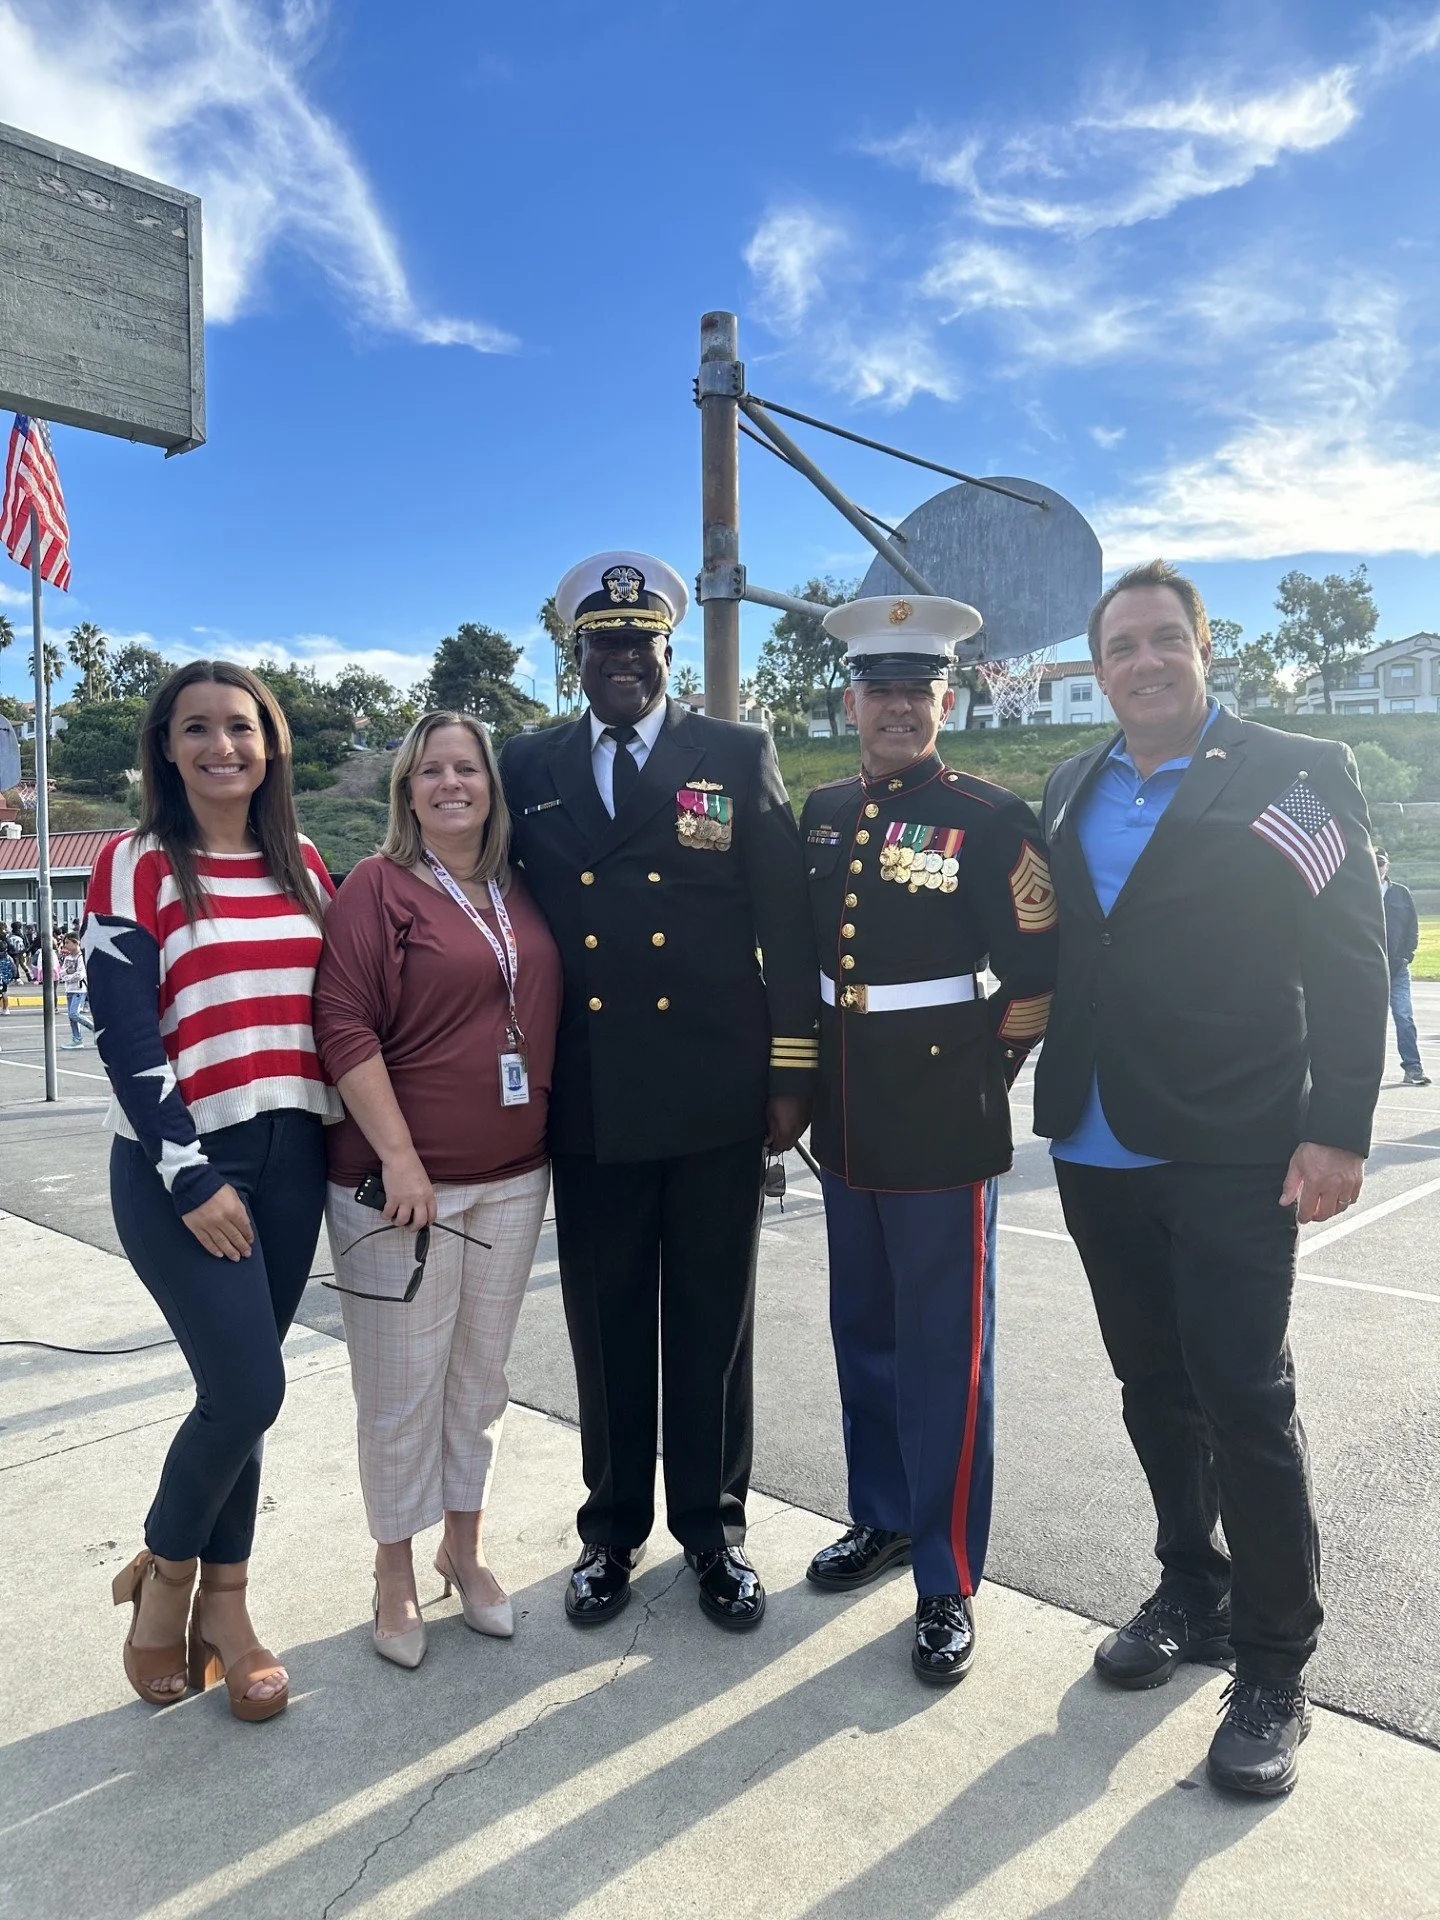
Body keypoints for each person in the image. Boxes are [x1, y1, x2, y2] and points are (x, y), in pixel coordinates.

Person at [1034, 559, 1388, 1796]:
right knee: (1151, 1388)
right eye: (1118, 647)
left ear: (1202, 646)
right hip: (1093, 1141)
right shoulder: (1070, 780)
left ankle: (1277, 1667)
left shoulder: (1293, 772)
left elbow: (1347, 956)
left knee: (1243, 1396)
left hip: (1237, 1142)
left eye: (1160, 640)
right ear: (1097, 668)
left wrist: (1338, 1126)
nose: (1141, 662)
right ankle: (1194, 1588)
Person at [500, 550, 817, 1631]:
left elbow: (786, 923)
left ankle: (714, 1532)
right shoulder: (526, 763)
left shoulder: (731, 751)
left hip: (716, 1093)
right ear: (575, 655)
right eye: (602, 644)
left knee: (712, 1324)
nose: (621, 660)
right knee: (606, 1323)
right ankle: (611, 1530)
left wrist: (791, 1071)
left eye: (640, 642)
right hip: (589, 1098)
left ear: (667, 649)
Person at [798, 596, 1058, 1684]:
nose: (897, 707)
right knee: (863, 1330)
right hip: (845, 1112)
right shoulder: (816, 809)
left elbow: (1039, 975)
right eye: (879, 689)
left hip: (943, 1119)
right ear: (851, 699)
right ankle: (884, 1516)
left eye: (917, 690)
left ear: (945, 699)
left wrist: (978, 1080)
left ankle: (947, 1575)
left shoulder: (991, 818)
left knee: (946, 1355)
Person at [84, 661, 341, 1722]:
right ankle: (168, 1579)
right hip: (181, 1167)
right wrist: (188, 1173)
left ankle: (227, 1613)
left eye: (240, 726)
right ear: (167, 747)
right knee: (248, 1390)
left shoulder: (309, 864)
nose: (221, 745)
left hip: (295, 1160)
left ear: (271, 744)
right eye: (197, 728)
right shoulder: (134, 862)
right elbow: (124, 1030)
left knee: (244, 1391)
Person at [314, 711, 561, 1669]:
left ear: (491, 786)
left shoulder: (518, 889)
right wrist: (402, 1157)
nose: (450, 784)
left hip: (512, 1179)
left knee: (478, 1383)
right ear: (406, 791)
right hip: (398, 1189)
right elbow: (342, 1025)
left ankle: (465, 1547)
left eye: (467, 768)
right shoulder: (378, 888)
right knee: (399, 1392)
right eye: (430, 772)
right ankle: (393, 1568)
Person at [1376, 850, 1429, 1086]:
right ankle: (1362, 1072)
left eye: (1380, 863)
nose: (1376, 867)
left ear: (1388, 866)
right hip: (1368, 969)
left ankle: (1413, 1068)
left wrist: (1407, 956)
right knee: (1366, 1021)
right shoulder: (1359, 892)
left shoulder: (1401, 893)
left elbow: (1412, 927)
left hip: (1398, 969)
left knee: (1404, 1017)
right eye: (1372, 862)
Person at [58, 930, 88, 1047]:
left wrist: (69, 976)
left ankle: (94, 1029)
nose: (65, 945)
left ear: (76, 943)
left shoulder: (81, 957)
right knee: (72, 1017)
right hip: (69, 989)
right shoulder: (68, 958)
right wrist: (68, 974)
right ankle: (77, 1039)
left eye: (68, 943)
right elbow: (62, 973)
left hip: (79, 990)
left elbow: (80, 974)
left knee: (74, 1014)